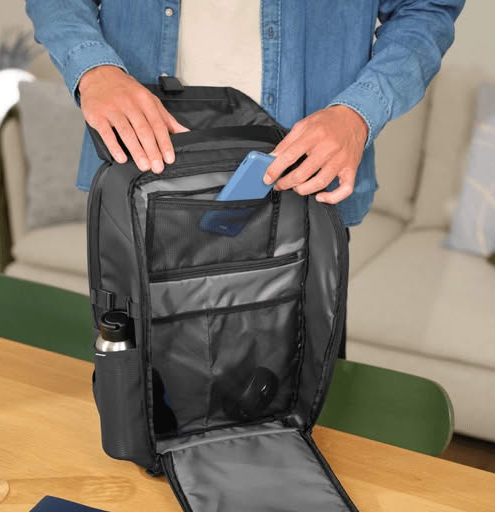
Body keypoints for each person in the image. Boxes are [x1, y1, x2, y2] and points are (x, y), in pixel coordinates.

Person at [25, 0, 464, 357]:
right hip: (142, 185)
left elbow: (427, 8)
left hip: (298, 187)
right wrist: (93, 69)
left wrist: (359, 113)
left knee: (301, 402)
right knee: (139, 399)